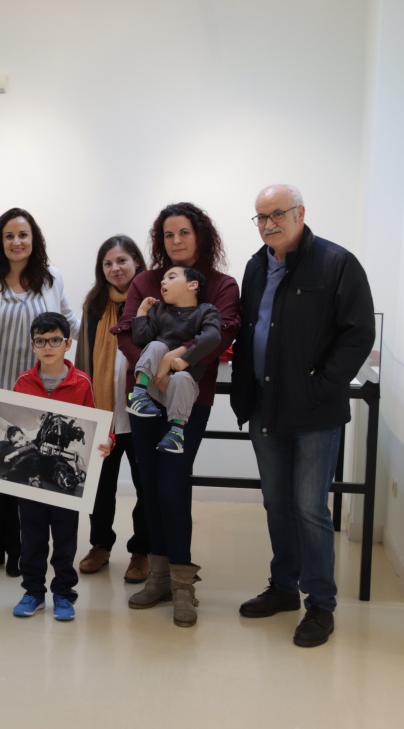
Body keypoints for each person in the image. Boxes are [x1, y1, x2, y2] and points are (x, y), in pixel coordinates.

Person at [231, 184, 375, 648]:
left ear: (300, 213)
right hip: (264, 407)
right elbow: (251, 327)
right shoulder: (256, 266)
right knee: (276, 503)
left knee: (311, 508)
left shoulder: (337, 264)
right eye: (261, 217)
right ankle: (283, 587)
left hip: (314, 411)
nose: (269, 223)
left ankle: (320, 604)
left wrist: (321, 385)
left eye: (278, 214)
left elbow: (357, 335)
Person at [115, 201, 239, 628]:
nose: (176, 241)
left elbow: (219, 336)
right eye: (169, 234)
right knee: (149, 487)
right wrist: (154, 373)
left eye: (184, 232)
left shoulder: (220, 285)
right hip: (146, 399)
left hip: (188, 399)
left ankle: (184, 585)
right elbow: (129, 334)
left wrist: (170, 364)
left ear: (200, 235)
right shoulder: (148, 281)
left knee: (172, 484)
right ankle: (161, 578)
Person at [0, 207, 79, 576]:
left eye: (23, 235)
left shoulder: (52, 278)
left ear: (33, 239)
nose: (16, 242)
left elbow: (70, 325)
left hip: (39, 397)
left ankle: (20, 551)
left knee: (26, 475)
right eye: (9, 235)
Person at [0, 312, 112, 622]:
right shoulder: (23, 381)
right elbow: (19, 436)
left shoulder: (81, 382)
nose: (48, 346)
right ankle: (33, 592)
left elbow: (95, 420)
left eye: (55, 340)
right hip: (32, 478)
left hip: (61, 474)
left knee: (66, 537)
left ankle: (64, 594)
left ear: (67, 344)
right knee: (33, 535)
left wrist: (107, 441)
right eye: (41, 341)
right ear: (32, 345)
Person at [72, 235, 151, 581]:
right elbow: (83, 360)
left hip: (140, 413)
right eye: (108, 263)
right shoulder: (93, 306)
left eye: (121, 261)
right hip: (102, 412)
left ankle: (141, 551)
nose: (115, 268)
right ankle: (100, 545)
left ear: (136, 262)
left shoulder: (152, 302)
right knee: (99, 487)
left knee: (146, 486)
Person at [124, 265, 222, 453]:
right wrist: (142, 312)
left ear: (193, 285)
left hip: (182, 391)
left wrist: (185, 359)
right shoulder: (160, 310)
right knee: (156, 346)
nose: (163, 281)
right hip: (153, 384)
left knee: (182, 377)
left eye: (171, 277)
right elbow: (142, 339)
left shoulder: (206, 311)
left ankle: (176, 433)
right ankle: (138, 395)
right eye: (163, 279)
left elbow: (212, 337)